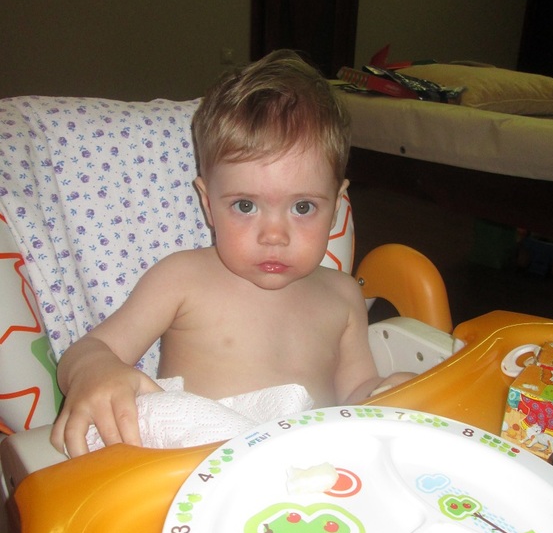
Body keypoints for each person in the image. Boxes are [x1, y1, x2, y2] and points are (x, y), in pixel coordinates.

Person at [51, 50, 412, 457]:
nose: (274, 235)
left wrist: (385, 392)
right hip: (196, 469)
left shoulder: (344, 295)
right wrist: (95, 371)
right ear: (208, 204)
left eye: (302, 207)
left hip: (313, 469)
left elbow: (356, 391)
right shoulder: (181, 279)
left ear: (336, 204)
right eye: (245, 205)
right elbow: (87, 351)